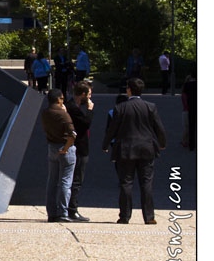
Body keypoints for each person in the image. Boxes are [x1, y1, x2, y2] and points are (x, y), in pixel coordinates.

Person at [103, 78, 168, 225]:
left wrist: (105, 144)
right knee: (146, 182)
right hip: (146, 148)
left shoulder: (121, 108)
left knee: (126, 182)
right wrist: (162, 143)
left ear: (129, 90)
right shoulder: (150, 107)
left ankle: (125, 216)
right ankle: (149, 216)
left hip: (125, 149)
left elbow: (112, 129)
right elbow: (159, 128)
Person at [40, 88, 77, 223]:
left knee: (52, 181)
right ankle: (63, 212)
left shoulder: (45, 113)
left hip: (52, 147)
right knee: (65, 182)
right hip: (64, 148)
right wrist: (66, 148)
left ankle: (52, 212)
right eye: (62, 98)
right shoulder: (63, 115)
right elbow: (72, 134)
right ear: (59, 99)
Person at [64, 81, 94, 222]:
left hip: (78, 146)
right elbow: (85, 124)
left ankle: (70, 208)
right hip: (78, 147)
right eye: (88, 95)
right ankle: (72, 209)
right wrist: (90, 110)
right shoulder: (73, 108)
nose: (89, 98)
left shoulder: (73, 106)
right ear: (82, 95)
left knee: (74, 179)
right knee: (76, 180)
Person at [180, 70, 196, 151]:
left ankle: (186, 141)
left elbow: (184, 100)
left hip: (187, 109)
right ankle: (186, 141)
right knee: (188, 127)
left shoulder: (186, 87)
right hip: (188, 109)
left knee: (188, 126)